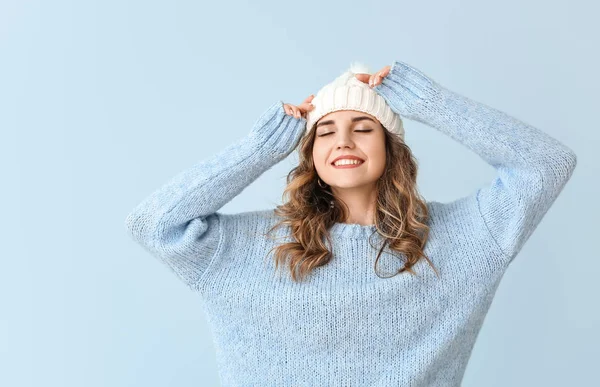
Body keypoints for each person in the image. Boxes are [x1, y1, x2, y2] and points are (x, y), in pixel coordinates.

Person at [125, 60, 577, 386]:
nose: (343, 139)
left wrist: (426, 100)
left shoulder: (462, 239)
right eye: (325, 131)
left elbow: (547, 165)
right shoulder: (250, 245)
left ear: (390, 146)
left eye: (363, 127)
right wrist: (263, 145)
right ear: (309, 152)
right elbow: (155, 224)